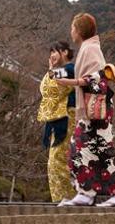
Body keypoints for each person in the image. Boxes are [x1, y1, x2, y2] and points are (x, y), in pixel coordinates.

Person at [55, 13, 115, 207]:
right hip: (92, 111)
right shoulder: (88, 48)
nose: (71, 31)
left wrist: (72, 81)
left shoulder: (91, 49)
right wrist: (56, 71)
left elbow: (96, 78)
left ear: (78, 30)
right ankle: (90, 192)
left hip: (95, 111)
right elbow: (78, 73)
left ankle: (93, 193)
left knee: (89, 150)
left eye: (72, 28)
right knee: (87, 150)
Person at [36, 41, 76, 203]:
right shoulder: (62, 71)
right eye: (50, 51)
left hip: (67, 115)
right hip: (61, 117)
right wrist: (51, 71)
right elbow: (46, 88)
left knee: (58, 158)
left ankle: (67, 197)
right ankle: (63, 197)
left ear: (65, 52)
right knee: (56, 159)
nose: (52, 55)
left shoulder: (70, 69)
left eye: (55, 51)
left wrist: (51, 71)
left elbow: (50, 87)